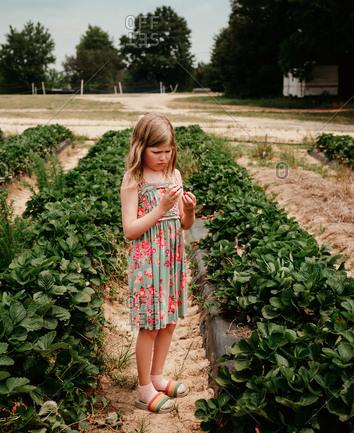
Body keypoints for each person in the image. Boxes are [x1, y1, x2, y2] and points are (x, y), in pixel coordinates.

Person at [120, 113, 197, 414]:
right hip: (148, 260)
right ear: (141, 148)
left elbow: (184, 224)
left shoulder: (173, 175)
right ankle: (143, 391)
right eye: (156, 152)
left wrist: (189, 210)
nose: (163, 157)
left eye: (168, 151)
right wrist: (161, 207)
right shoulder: (134, 180)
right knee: (150, 324)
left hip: (172, 258)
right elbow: (130, 230)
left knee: (169, 320)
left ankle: (156, 378)